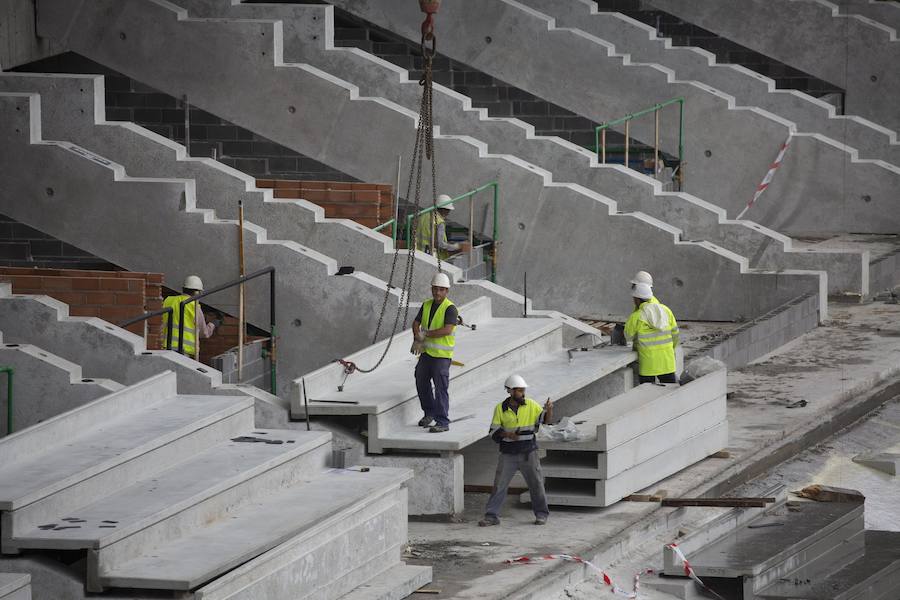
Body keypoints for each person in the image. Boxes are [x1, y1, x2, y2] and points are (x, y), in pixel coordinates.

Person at [479, 375, 553, 527]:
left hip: (529, 453)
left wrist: (549, 410)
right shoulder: (500, 409)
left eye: (523, 390)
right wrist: (507, 434)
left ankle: (541, 514)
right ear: (511, 391)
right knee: (499, 485)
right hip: (508, 454)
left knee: (536, 484)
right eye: (520, 391)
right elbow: (493, 432)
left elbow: (545, 420)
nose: (523, 393)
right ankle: (491, 516)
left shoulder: (531, 405)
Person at [412, 271, 458, 433]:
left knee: (440, 388)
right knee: (420, 380)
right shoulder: (426, 305)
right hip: (426, 354)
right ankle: (429, 413)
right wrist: (416, 337)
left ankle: (442, 421)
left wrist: (425, 335)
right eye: (435, 289)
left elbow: (447, 330)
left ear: (446, 291)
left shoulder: (450, 308)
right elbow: (416, 322)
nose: (437, 292)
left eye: (441, 289)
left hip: (442, 357)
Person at [625, 282, 679, 384]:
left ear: (637, 299)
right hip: (667, 362)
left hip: (648, 365)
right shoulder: (666, 310)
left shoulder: (637, 316)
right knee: (670, 393)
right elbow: (675, 334)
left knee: (647, 395)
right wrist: (671, 349)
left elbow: (628, 336)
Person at [161, 275, 221, 359]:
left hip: (166, 347)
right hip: (183, 350)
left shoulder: (169, 300)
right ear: (197, 292)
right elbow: (204, 333)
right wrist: (213, 324)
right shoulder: (194, 306)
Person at [415, 193, 472, 259]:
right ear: (443, 209)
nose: (448, 213)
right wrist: (457, 246)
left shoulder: (424, 215)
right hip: (432, 255)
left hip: (419, 253)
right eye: (448, 210)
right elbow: (440, 244)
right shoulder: (439, 222)